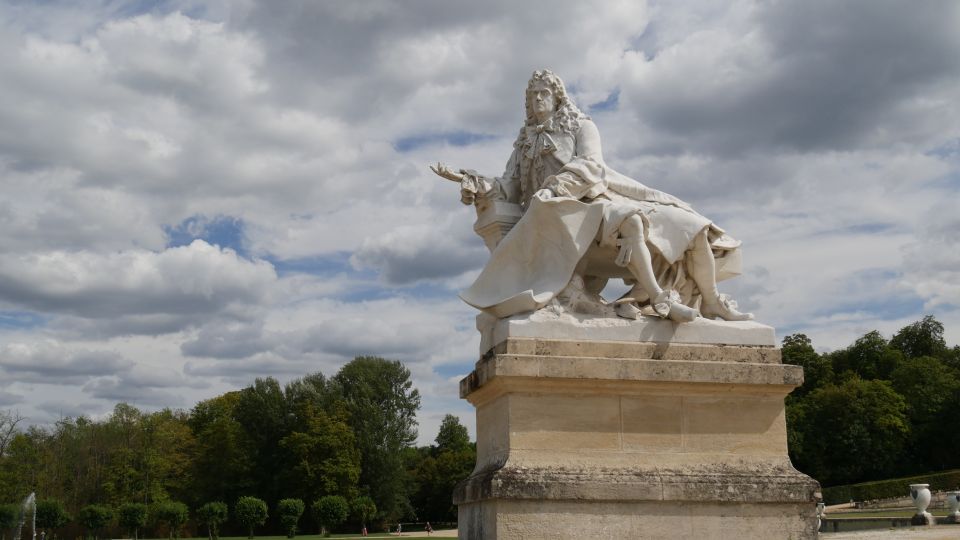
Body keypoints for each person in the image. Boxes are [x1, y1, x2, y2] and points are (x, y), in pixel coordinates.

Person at [432, 69, 752, 322]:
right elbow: (510, 186)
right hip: (558, 216)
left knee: (693, 226)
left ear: (557, 98)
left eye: (544, 93)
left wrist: (557, 185)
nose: (538, 100)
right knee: (632, 223)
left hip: (594, 200)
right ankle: (659, 299)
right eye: (532, 96)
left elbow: (592, 166)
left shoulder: (582, 127)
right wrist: (470, 179)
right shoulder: (524, 144)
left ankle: (712, 303)